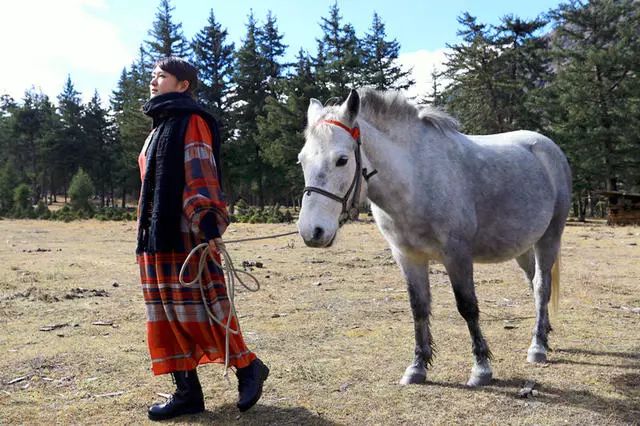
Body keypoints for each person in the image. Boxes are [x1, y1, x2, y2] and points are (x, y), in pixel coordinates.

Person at [136, 57, 269, 421]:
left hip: (186, 235)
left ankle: (248, 368)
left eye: (161, 75)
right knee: (166, 316)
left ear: (183, 85)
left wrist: (208, 224)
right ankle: (187, 393)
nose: (153, 80)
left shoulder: (191, 120)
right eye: (152, 75)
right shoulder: (158, 127)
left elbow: (200, 171)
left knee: (202, 311)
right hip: (155, 238)